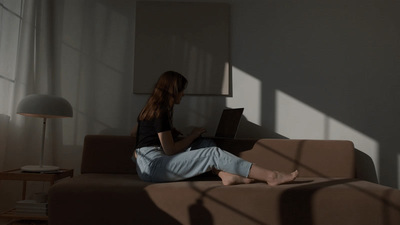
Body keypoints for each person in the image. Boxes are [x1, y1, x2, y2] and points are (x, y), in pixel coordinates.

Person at [132, 71, 298, 186]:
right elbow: (170, 150)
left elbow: (136, 133)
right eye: (182, 91)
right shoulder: (160, 111)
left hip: (150, 161)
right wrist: (192, 135)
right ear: (174, 91)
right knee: (211, 153)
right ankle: (272, 176)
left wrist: (165, 133)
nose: (183, 94)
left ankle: (226, 176)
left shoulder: (153, 109)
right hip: (154, 166)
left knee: (204, 143)